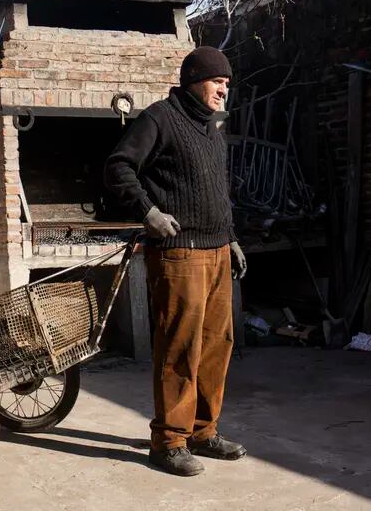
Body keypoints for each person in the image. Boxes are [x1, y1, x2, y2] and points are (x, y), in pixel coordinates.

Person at [104, 46, 248, 477]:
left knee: (216, 346)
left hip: (218, 251)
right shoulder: (159, 118)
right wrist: (147, 212)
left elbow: (216, 193)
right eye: (217, 81)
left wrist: (232, 238)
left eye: (227, 83)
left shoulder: (210, 129)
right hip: (180, 253)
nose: (225, 89)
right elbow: (119, 167)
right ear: (194, 81)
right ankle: (168, 441)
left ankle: (203, 432)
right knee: (180, 346)